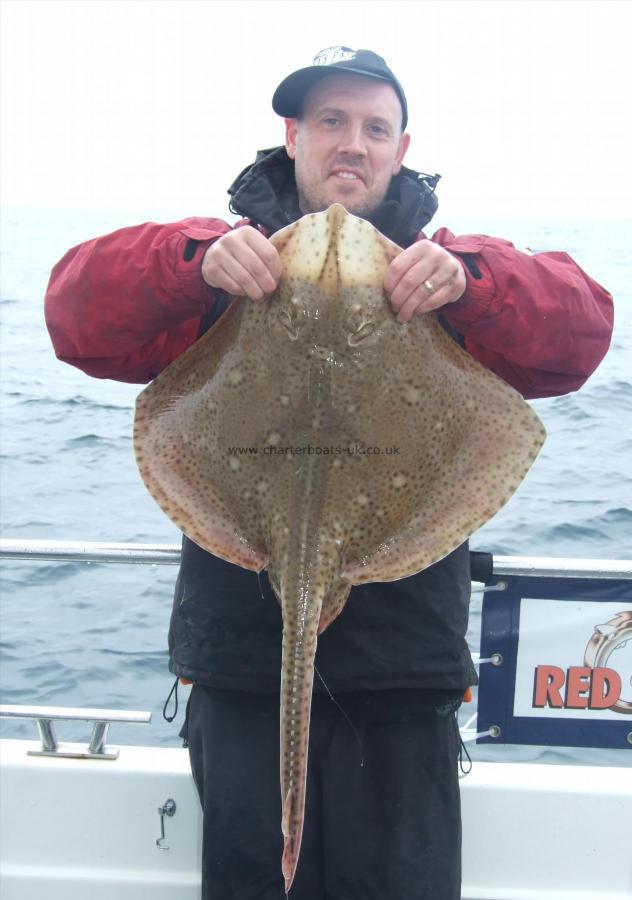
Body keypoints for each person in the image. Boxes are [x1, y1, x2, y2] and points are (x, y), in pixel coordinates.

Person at [45, 47, 613, 900]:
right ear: (294, 137)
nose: (353, 142)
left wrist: (474, 284)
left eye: (373, 127)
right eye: (331, 122)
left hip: (402, 678)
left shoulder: (447, 270)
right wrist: (191, 260)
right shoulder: (219, 266)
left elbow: (582, 333)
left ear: (400, 145)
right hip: (244, 671)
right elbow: (73, 316)